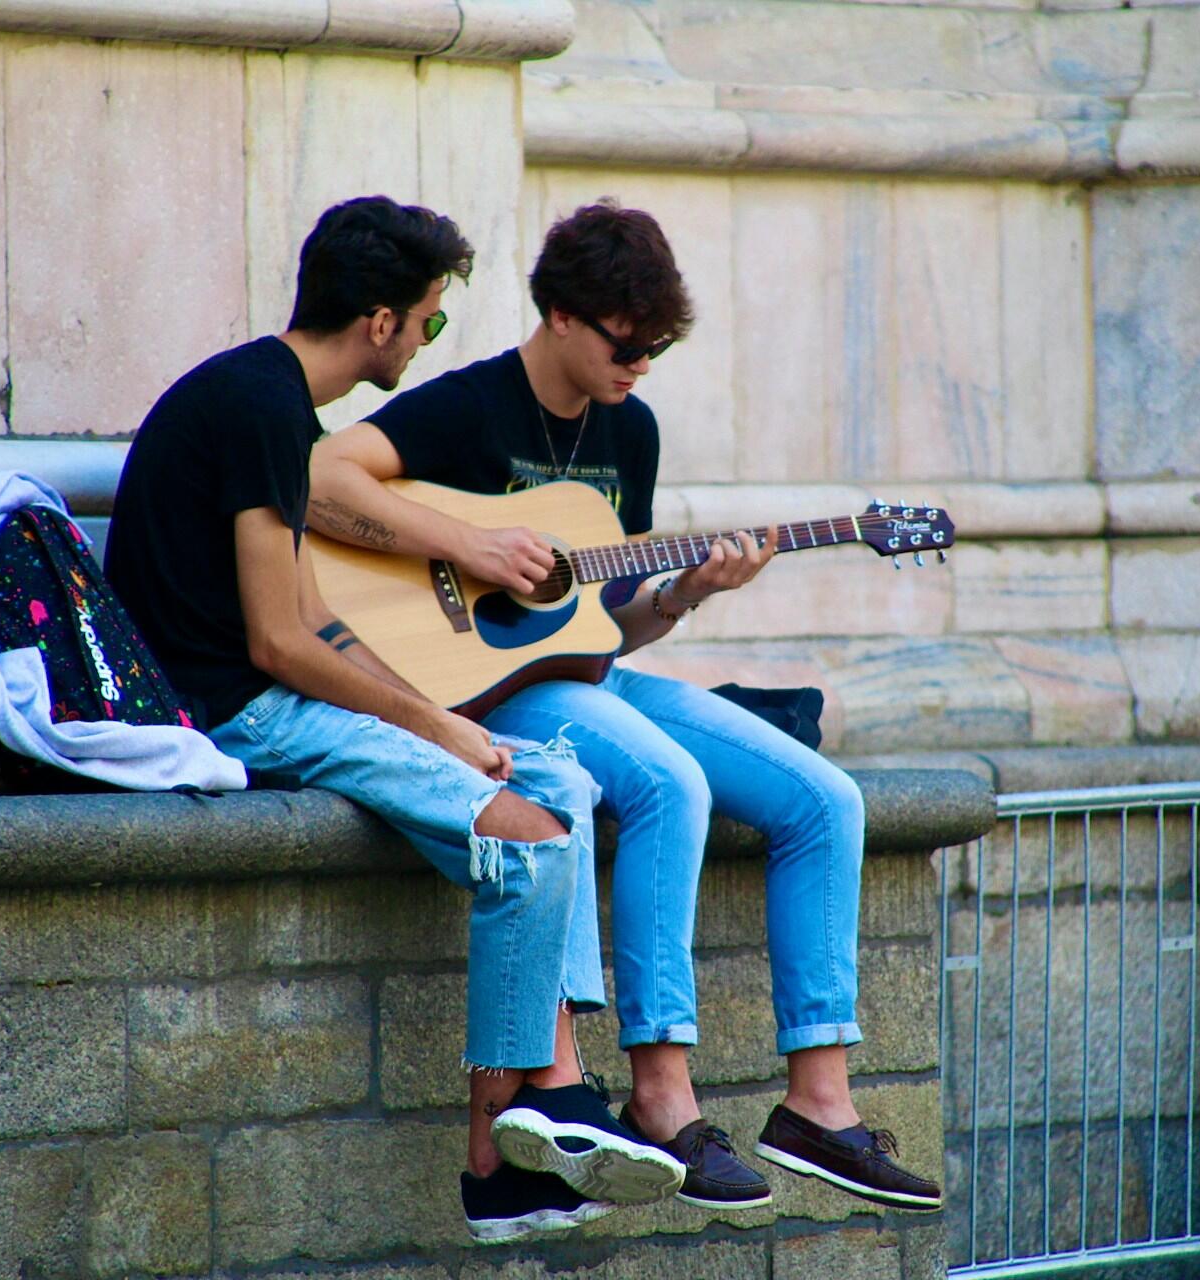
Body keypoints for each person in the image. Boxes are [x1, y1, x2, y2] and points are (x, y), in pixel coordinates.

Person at [309, 200, 942, 1212]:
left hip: (586, 680)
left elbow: (598, 629)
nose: (640, 362)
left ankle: (820, 1104)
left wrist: (687, 592)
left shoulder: (628, 430)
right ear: (560, 312)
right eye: (625, 341)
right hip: (478, 695)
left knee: (827, 799)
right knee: (668, 780)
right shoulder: (469, 408)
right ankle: (661, 1089)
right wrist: (470, 546)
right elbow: (325, 475)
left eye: (657, 346)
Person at [102, 196, 684, 1243]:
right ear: (380, 322)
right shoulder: (257, 406)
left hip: (275, 690)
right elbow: (279, 645)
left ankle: (536, 1118)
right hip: (241, 714)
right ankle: (499, 1145)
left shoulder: (270, 400)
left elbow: (316, 612)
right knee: (533, 838)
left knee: (558, 782)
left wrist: (432, 712)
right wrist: (446, 732)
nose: (427, 339)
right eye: (429, 318)